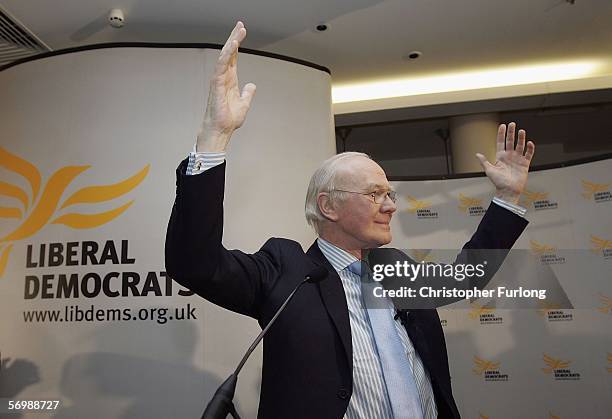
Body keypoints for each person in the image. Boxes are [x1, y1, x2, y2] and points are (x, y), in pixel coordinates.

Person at [165, 22, 535, 419]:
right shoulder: (285, 271)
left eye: (389, 194)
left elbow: (466, 275)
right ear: (329, 206)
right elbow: (196, 263)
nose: (390, 205)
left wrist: (507, 198)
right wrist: (214, 138)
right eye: (375, 193)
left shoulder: (396, 268)